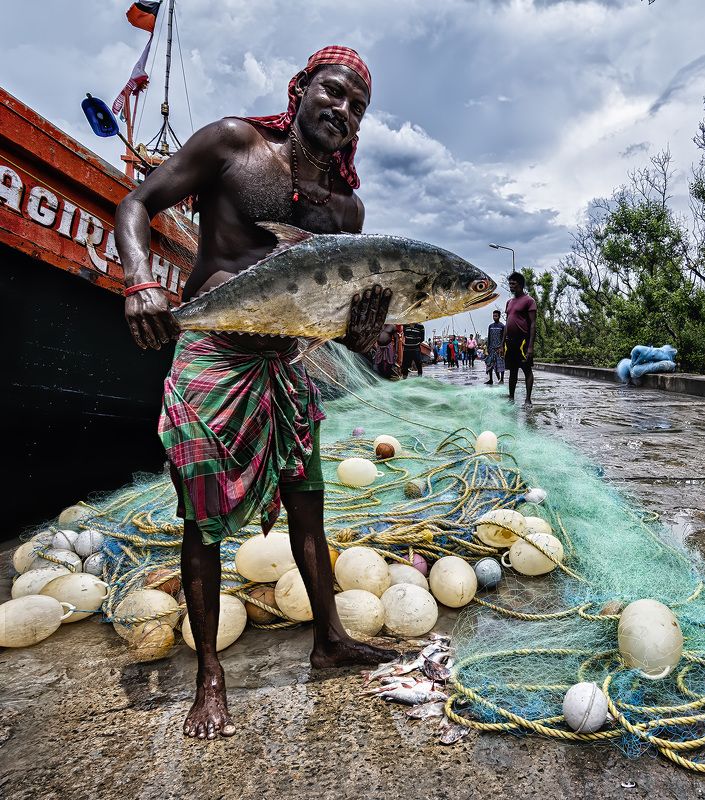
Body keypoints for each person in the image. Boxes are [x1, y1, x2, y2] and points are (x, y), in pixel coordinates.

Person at [115, 46, 397, 741]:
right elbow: (137, 203)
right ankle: (210, 674)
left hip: (285, 366)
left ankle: (329, 636)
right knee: (201, 519)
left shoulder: (346, 209)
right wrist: (141, 280)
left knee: (309, 502)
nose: (344, 111)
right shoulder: (234, 145)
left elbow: (337, 328)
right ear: (301, 88)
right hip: (213, 356)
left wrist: (363, 334)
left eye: (358, 106)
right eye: (334, 93)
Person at [502, 272, 537, 404]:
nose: (511, 286)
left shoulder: (529, 301)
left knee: (527, 370)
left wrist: (530, 347)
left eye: (513, 283)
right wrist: (502, 343)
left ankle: (528, 399)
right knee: (512, 371)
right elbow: (507, 323)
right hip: (510, 342)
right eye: (510, 283)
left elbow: (533, 324)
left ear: (520, 285)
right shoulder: (509, 302)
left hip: (523, 341)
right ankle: (511, 397)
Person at [484, 309, 505, 384]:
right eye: (493, 316)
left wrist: (502, 347)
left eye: (496, 316)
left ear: (499, 317)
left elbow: (503, 338)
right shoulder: (490, 326)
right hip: (491, 348)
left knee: (501, 365)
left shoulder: (502, 326)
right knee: (490, 364)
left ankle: (501, 379)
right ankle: (491, 380)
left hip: (499, 349)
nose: (494, 317)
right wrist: (488, 347)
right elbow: (489, 337)